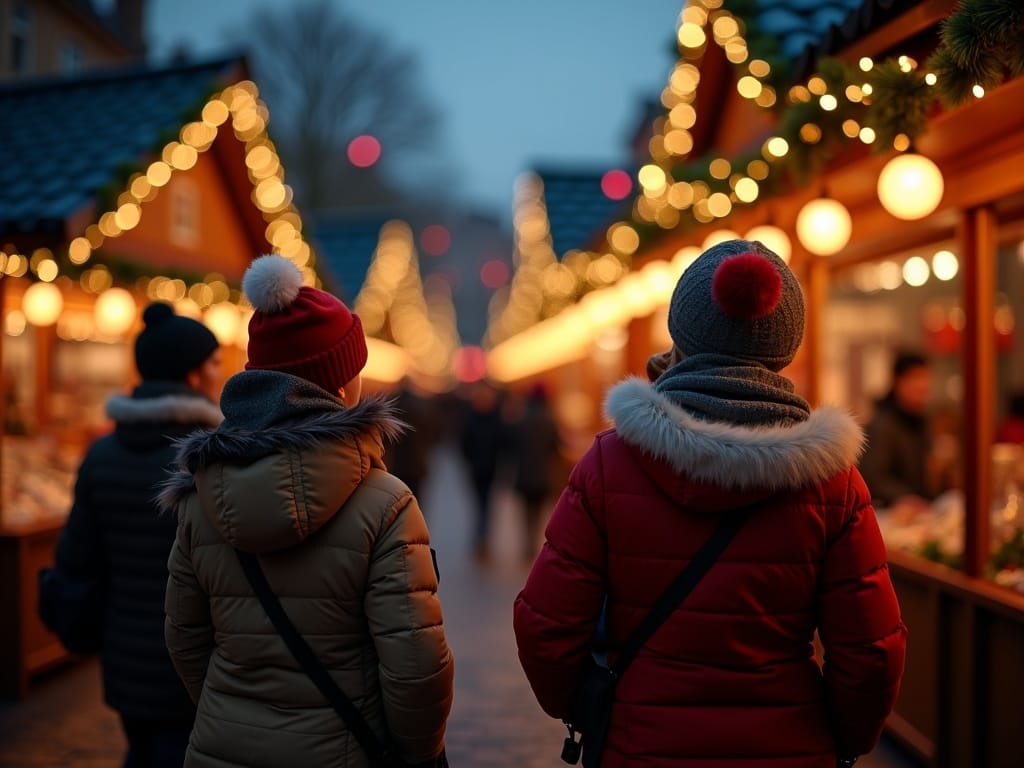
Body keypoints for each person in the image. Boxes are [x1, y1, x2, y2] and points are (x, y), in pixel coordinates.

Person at [513, 239, 907, 767]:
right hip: (787, 747)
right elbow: (871, 654)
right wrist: (842, 739)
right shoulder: (832, 482)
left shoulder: (612, 463)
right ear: (784, 346)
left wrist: (589, 706)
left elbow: (546, 625)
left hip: (642, 743)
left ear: (682, 331)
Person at [162, 255, 453, 768]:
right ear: (337, 384)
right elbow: (414, 663)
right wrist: (417, 753)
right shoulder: (386, 504)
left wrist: (229, 712)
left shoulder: (199, 496)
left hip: (220, 748)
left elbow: (185, 638)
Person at [50, 302, 222, 768]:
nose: (219, 373)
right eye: (214, 363)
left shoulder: (101, 455)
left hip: (124, 655)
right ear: (191, 375)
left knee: (140, 751)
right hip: (197, 659)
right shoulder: (211, 459)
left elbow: (76, 558)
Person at [859, 351, 936, 510]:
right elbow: (872, 477)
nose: (922, 385)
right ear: (898, 382)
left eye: (925, 377)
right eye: (916, 377)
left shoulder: (920, 421)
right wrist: (904, 497)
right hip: (889, 517)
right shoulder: (881, 424)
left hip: (918, 515)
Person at [511, 382, 562, 562]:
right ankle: (533, 545)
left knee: (526, 512)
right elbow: (556, 447)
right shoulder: (550, 421)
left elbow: (512, 446)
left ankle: (527, 544)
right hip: (543, 475)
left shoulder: (521, 419)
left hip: (524, 474)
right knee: (539, 512)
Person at [458, 380, 506, 562]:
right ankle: (482, 538)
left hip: (485, 468)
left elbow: (463, 441)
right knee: (483, 504)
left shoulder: (471, 416)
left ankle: (481, 538)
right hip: (483, 468)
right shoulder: (495, 417)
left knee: (483, 504)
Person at [384, 377, 440, 499]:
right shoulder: (420, 407)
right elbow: (430, 434)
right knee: (416, 498)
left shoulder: (391, 407)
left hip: (398, 463)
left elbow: (385, 440)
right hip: (417, 463)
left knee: (399, 497)